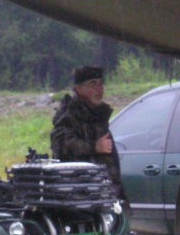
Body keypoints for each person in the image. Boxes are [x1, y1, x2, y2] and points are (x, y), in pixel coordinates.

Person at [50, 65, 126, 200]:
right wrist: (93, 147)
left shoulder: (98, 115)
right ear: (78, 88)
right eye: (93, 84)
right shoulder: (69, 114)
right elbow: (61, 146)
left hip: (106, 192)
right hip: (81, 195)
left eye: (101, 84)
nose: (99, 89)